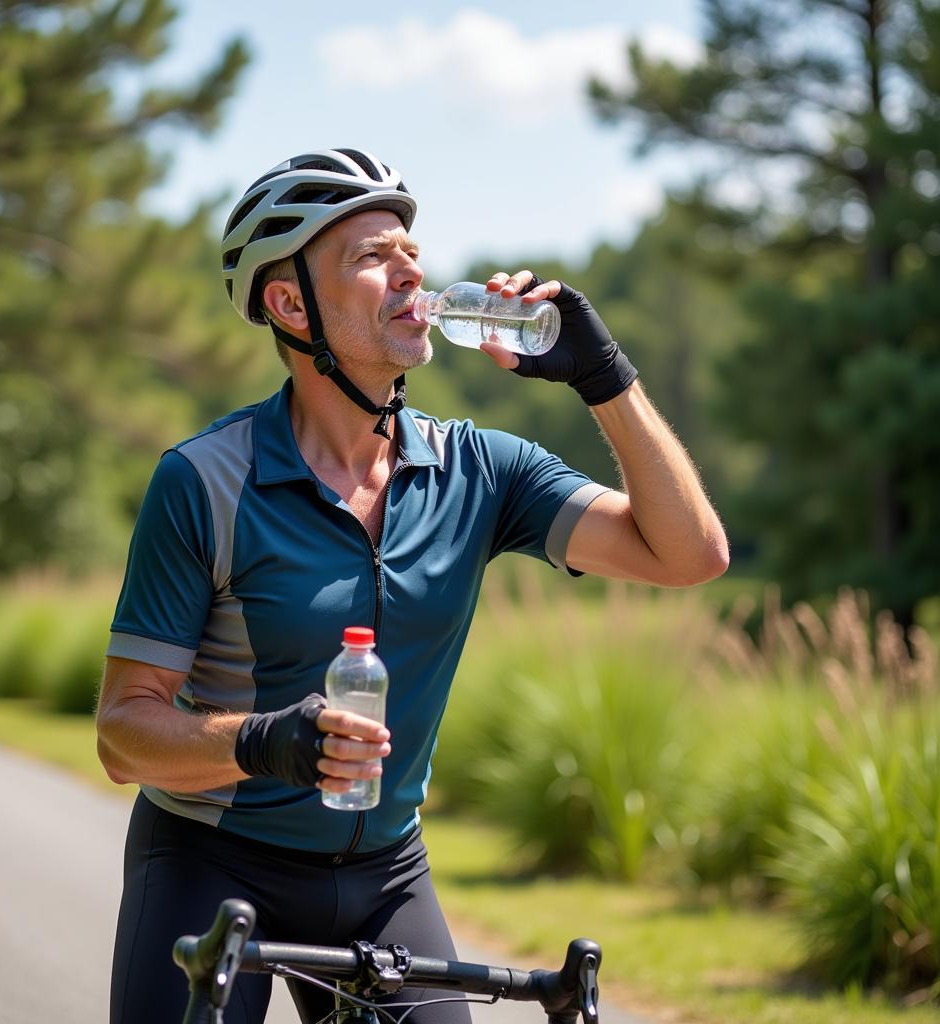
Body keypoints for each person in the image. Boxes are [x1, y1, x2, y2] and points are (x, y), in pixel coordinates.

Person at [96, 148, 729, 1024]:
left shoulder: (481, 469)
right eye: (371, 254)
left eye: (410, 247)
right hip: (214, 856)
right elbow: (124, 736)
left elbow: (689, 556)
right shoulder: (205, 481)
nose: (412, 269)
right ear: (289, 304)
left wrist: (604, 377)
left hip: (385, 871)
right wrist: (264, 741)